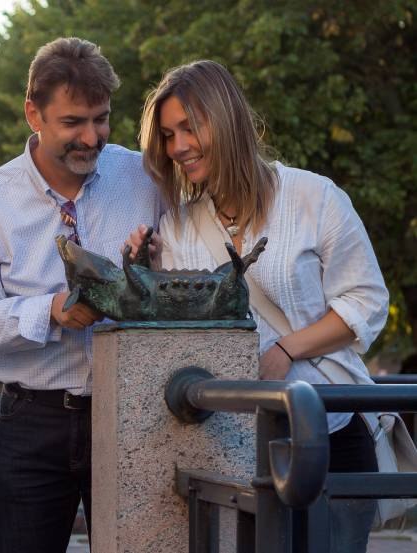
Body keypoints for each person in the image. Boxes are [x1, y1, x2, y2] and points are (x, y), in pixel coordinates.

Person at [129, 59, 389, 553]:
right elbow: (187, 334)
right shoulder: (179, 227)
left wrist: (286, 350)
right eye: (167, 134)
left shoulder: (316, 197)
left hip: (330, 431)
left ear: (226, 120)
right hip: (235, 446)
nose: (178, 146)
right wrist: (153, 275)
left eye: (190, 127)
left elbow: (366, 301)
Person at [0, 37, 163, 552]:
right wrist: (48, 312)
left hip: (135, 413)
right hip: (32, 426)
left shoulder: (147, 178)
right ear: (33, 114)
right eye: (73, 123)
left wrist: (153, 268)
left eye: (101, 118)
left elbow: (183, 267)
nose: (91, 137)